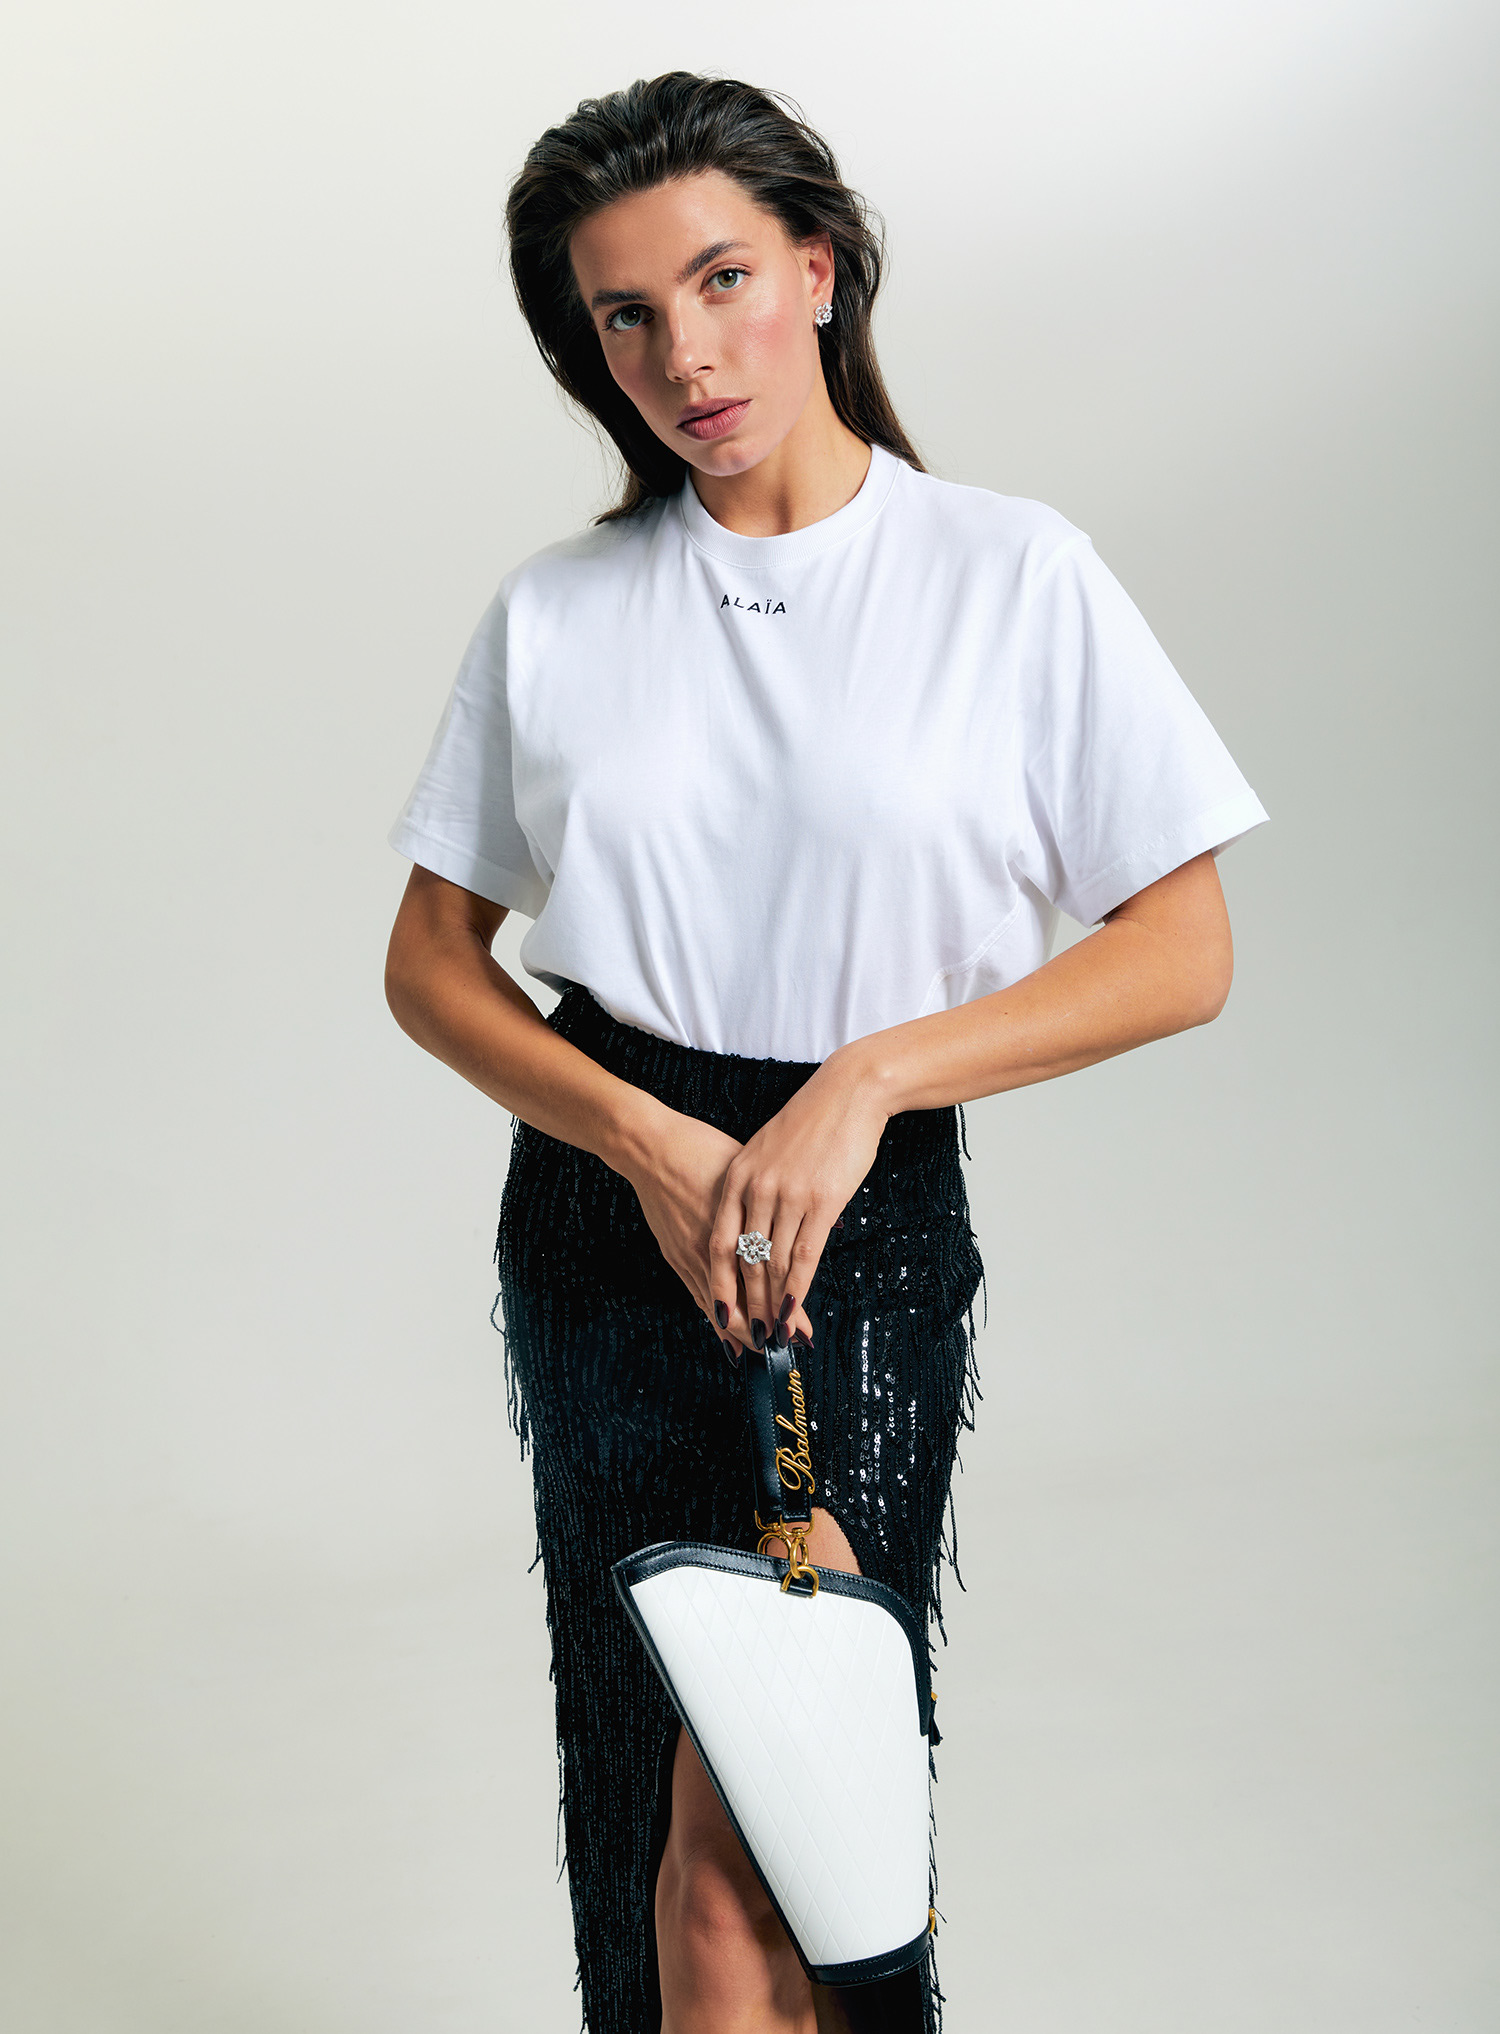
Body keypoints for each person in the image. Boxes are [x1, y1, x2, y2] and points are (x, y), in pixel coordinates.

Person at [383, 70, 1267, 2034]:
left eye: (721, 280)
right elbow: (433, 965)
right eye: (625, 314)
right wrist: (640, 1139)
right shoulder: (560, 613)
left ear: (820, 268)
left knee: (789, 1843)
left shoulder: (1009, 574)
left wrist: (866, 1079)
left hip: (855, 1242)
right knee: (655, 1812)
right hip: (610, 1228)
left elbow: (1183, 949)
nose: (684, 356)